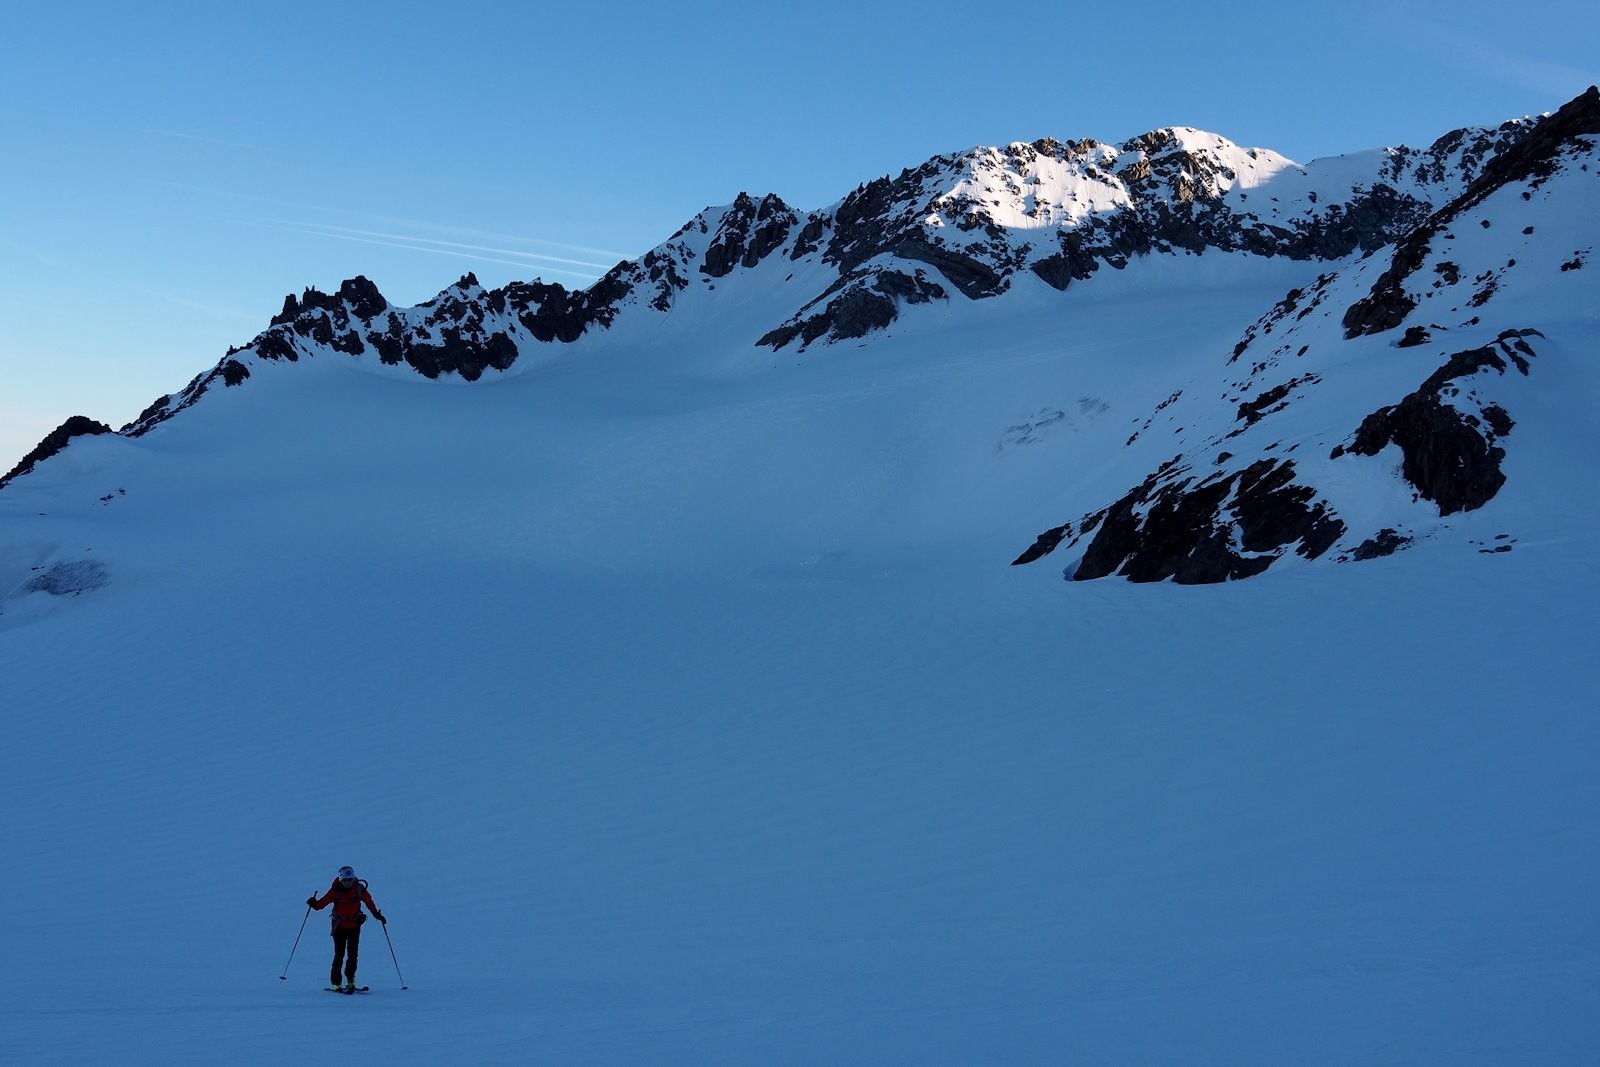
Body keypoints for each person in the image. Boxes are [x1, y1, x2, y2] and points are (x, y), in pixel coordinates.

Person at [307, 865, 385, 991]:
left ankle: (351, 980)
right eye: (345, 880)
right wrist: (313, 904)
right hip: (339, 927)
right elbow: (321, 904)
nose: (348, 882)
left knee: (353, 954)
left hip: (354, 926)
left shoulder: (359, 889)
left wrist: (377, 914)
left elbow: (369, 902)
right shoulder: (335, 891)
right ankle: (336, 983)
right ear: (341, 879)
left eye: (350, 879)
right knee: (339, 954)